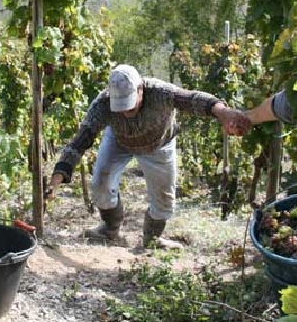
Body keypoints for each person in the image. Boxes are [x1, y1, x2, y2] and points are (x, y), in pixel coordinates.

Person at [47, 64, 251, 249]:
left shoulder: (161, 92)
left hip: (159, 144)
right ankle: (109, 230)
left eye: (130, 105)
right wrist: (55, 182)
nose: (127, 111)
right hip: (119, 142)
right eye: (121, 106)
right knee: (100, 182)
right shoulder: (102, 103)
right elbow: (79, 141)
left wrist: (222, 112)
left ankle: (152, 239)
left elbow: (193, 99)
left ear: (140, 90)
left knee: (164, 199)